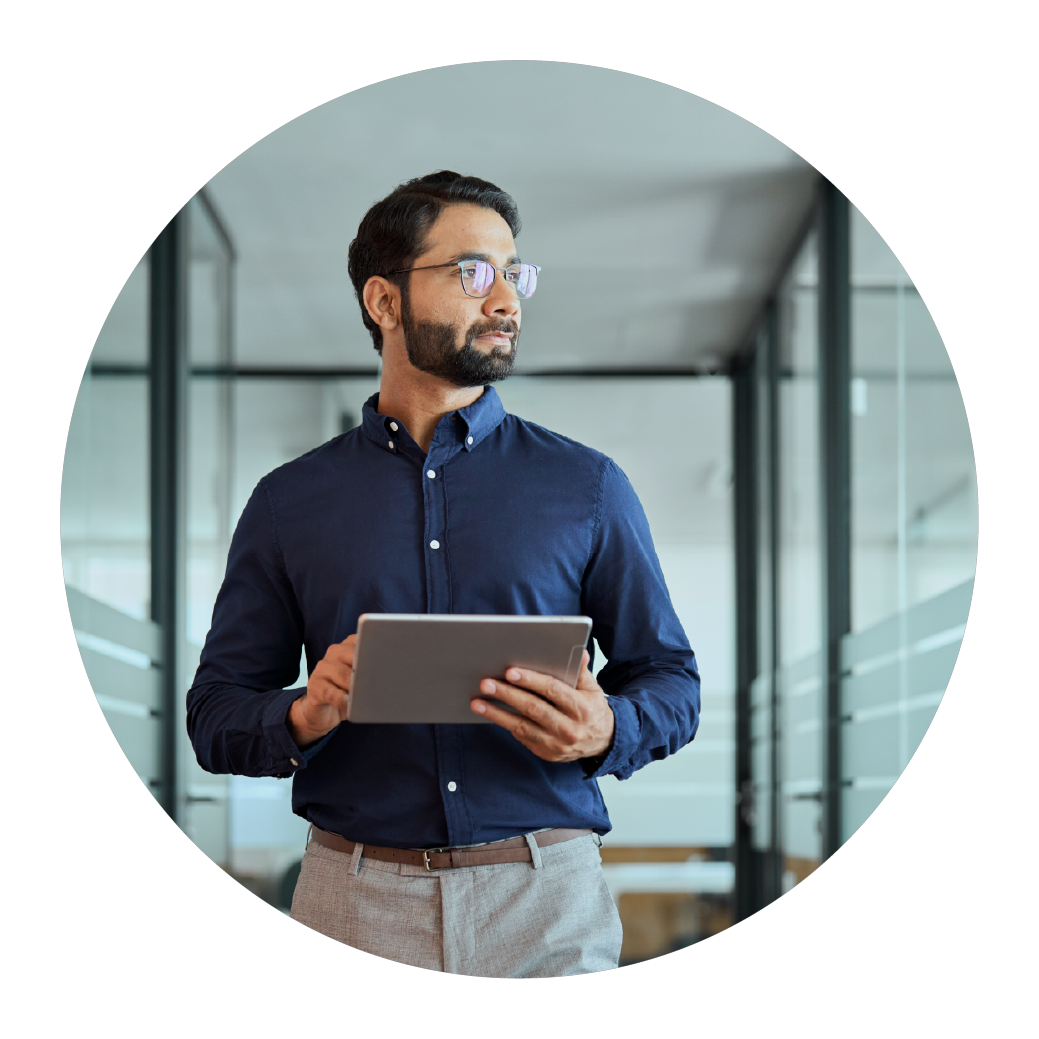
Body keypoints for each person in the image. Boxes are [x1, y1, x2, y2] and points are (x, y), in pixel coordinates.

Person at [186, 171, 701, 978]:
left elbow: (672, 678)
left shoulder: (588, 486)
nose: (506, 300)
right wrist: (307, 711)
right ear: (383, 302)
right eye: (472, 272)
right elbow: (214, 716)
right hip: (350, 902)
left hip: (544, 898)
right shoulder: (288, 503)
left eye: (513, 273)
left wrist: (608, 730)